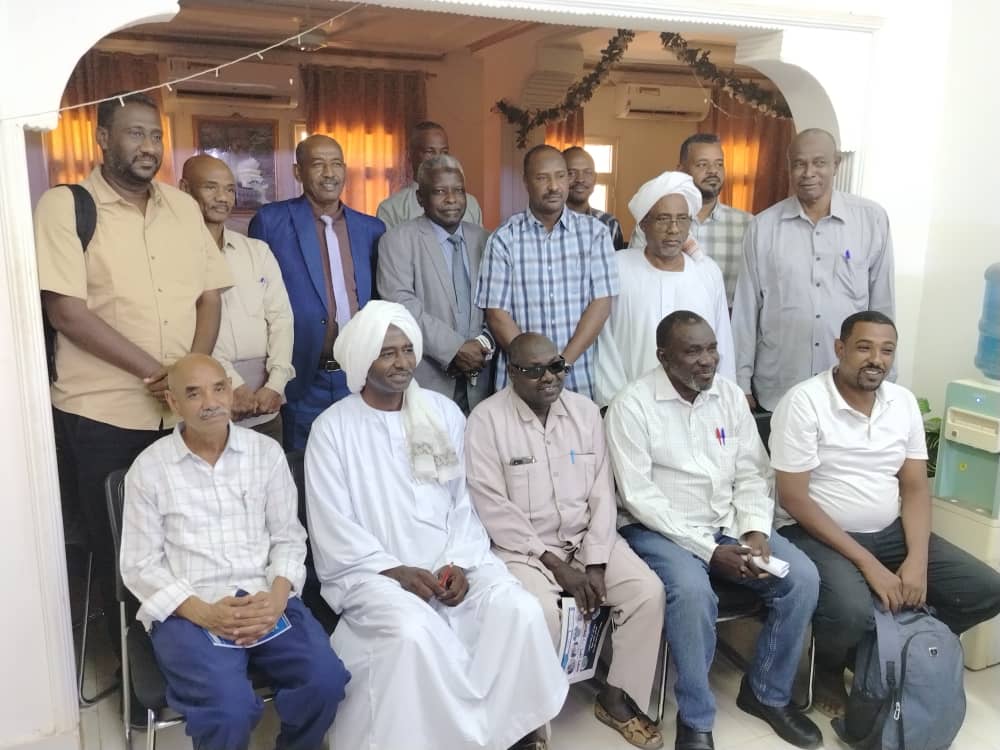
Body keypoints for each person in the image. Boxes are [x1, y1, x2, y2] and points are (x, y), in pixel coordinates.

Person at [304, 302, 568, 750]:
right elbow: (333, 524)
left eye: (408, 350)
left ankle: (512, 733)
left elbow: (464, 502)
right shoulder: (333, 429)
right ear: (362, 359)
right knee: (413, 633)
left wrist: (460, 563)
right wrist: (397, 572)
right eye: (387, 353)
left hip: (453, 563)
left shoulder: (442, 413)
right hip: (376, 575)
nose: (402, 362)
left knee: (518, 610)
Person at [34, 91, 232, 659]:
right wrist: (158, 374)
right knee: (121, 552)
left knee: (189, 541)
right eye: (134, 133)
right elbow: (66, 311)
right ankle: (135, 673)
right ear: (102, 139)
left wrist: (190, 380)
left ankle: (197, 658)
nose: (148, 146)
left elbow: (210, 297)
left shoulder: (183, 208)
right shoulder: (65, 206)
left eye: (155, 135)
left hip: (180, 419)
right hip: (103, 415)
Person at [607, 311, 822, 750]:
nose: (707, 360)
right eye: (693, 351)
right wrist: (709, 551)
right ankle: (696, 719)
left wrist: (756, 531)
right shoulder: (632, 405)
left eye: (711, 349)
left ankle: (766, 693)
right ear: (663, 357)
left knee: (801, 579)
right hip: (657, 531)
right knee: (692, 593)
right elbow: (639, 497)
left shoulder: (728, 396)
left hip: (728, 524)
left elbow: (753, 473)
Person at [771, 311, 1000, 717]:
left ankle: (887, 649)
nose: (876, 359)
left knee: (985, 589)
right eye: (864, 348)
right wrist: (870, 565)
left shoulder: (902, 402)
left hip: (888, 530)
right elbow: (793, 498)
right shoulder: (804, 402)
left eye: (886, 350)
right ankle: (828, 669)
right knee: (851, 610)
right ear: (840, 348)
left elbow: (914, 487)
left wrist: (917, 560)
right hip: (815, 531)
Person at [120, 353, 349, 750]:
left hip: (264, 596)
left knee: (324, 681)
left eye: (218, 388)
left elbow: (288, 537)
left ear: (230, 391)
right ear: (173, 402)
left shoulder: (265, 453)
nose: (210, 402)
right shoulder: (150, 468)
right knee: (229, 710)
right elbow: (140, 565)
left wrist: (277, 598)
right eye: (194, 393)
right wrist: (204, 613)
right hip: (190, 609)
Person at [466, 332, 665, 750]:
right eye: (534, 370)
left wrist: (595, 563)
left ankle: (616, 698)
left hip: (587, 539)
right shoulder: (486, 421)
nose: (549, 377)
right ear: (511, 372)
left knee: (647, 592)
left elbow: (602, 494)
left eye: (556, 366)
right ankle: (532, 727)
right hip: (524, 550)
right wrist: (558, 567)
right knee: (538, 613)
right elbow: (492, 506)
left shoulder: (586, 412)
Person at [731, 128, 895, 428]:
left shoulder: (871, 220)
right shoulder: (763, 227)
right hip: (779, 386)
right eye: (799, 164)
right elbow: (745, 310)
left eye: (819, 163)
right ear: (789, 167)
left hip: (848, 385)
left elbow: (882, 306)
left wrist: (886, 377)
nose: (808, 173)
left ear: (836, 164)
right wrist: (740, 382)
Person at [249, 134, 384, 450]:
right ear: (298, 172)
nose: (329, 173)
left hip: (357, 376)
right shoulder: (271, 221)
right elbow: (257, 301)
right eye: (318, 164)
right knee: (302, 467)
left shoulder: (371, 229)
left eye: (336, 164)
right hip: (302, 378)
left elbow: (379, 301)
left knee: (360, 461)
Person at [476, 144, 618, 400]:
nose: (554, 186)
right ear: (526, 182)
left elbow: (601, 305)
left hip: (578, 377)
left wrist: (562, 364)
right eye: (543, 178)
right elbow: (497, 314)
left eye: (561, 176)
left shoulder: (595, 234)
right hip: (521, 380)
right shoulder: (504, 239)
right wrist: (534, 368)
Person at [180, 154, 293, 443]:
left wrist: (276, 384)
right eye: (210, 187)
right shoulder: (171, 255)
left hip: (266, 404)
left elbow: (281, 319)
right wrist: (232, 384)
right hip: (207, 403)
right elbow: (190, 330)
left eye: (229, 189)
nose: (222, 198)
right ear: (184, 189)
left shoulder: (257, 251)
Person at [596, 172, 733, 407]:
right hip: (631, 406)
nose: (674, 229)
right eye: (663, 219)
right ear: (644, 224)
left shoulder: (707, 271)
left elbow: (722, 342)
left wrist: (724, 402)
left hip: (698, 406)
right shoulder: (618, 267)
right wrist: (614, 404)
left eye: (682, 219)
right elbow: (604, 344)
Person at [377, 154, 495, 413]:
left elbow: (499, 302)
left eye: (459, 191)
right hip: (427, 379)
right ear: (421, 198)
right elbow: (402, 306)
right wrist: (455, 349)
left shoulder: (486, 240)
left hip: (482, 379)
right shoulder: (397, 241)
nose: (451, 199)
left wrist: (483, 346)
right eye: (440, 191)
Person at [630, 135, 751, 308]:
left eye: (719, 164)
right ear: (680, 171)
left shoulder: (747, 225)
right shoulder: (653, 224)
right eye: (702, 164)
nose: (713, 171)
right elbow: (636, 277)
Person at [376, 121, 483, 229]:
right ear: (410, 155)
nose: (439, 158)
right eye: (429, 152)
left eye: (444, 152)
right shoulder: (392, 208)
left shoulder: (470, 204)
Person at [563, 146, 626, 250]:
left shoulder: (609, 224)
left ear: (595, 178)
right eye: (571, 173)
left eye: (587, 172)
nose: (580, 179)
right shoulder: (546, 223)